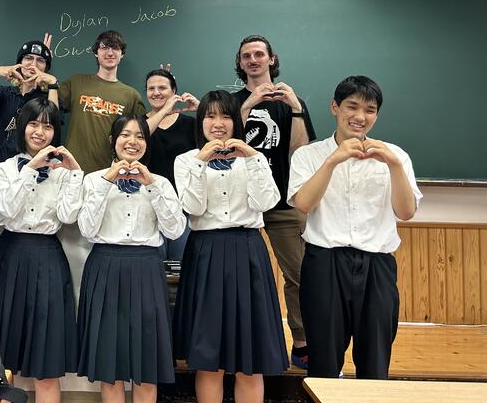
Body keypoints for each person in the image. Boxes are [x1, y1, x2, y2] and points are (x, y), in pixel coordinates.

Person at [288, 75, 421, 379]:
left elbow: (406, 212)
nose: (360, 116)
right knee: (323, 361)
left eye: (370, 110)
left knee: (375, 359)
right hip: (324, 263)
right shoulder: (308, 155)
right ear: (335, 107)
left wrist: (394, 165)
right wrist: (332, 161)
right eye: (352, 106)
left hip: (377, 265)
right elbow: (304, 204)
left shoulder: (396, 156)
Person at [173, 91, 287, 403]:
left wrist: (252, 158)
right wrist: (201, 162)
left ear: (236, 121)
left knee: (250, 360)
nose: (218, 123)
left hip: (247, 250)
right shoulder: (186, 160)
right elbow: (193, 208)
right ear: (200, 121)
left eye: (225, 116)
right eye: (210, 116)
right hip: (205, 252)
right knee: (209, 360)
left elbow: (267, 202)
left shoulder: (253, 158)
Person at [0, 99, 83, 403]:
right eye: (33, 124)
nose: (40, 132)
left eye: (47, 126)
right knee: (1, 355)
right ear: (22, 127)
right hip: (10, 255)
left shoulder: (62, 173)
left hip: (48, 256)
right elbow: (7, 210)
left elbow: (68, 216)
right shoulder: (4, 168)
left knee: (47, 358)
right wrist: (30, 170)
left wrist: (75, 173)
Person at [77, 115, 186, 403]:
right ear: (112, 141)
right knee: (109, 364)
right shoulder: (93, 180)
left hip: (147, 268)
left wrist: (152, 186)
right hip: (105, 267)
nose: (132, 142)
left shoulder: (160, 182)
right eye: (125, 135)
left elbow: (175, 230)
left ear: (146, 143)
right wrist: (106, 182)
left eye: (140, 136)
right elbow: (87, 230)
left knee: (147, 364)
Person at [232, 34, 316, 368]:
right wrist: (246, 107)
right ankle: (239, 342)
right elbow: (225, 144)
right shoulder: (232, 102)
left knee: (299, 275)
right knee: (237, 278)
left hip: (283, 203)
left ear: (271, 59)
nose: (253, 60)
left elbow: (301, 151)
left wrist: (295, 109)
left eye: (258, 54)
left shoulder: (292, 101)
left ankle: (302, 342)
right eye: (246, 56)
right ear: (240, 63)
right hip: (240, 205)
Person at [58, 31, 152, 174]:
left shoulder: (131, 95)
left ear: (122, 54)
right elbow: (50, 110)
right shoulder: (76, 82)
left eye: (115, 48)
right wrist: (43, 67)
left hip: (110, 174)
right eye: (104, 47)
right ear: (96, 52)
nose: (110, 53)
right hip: (71, 171)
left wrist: (164, 103)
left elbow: (143, 131)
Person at [0, 38, 58, 166]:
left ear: (46, 68)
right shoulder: (5, 93)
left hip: (35, 163)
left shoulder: (48, 98)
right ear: (19, 63)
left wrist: (52, 83)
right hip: (2, 161)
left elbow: (53, 122)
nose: (33, 64)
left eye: (40, 60)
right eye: (28, 58)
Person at [144, 68, 198, 261]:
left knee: (180, 267)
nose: (156, 92)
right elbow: (141, 135)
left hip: (182, 208)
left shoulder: (190, 124)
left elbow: (219, 134)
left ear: (174, 92)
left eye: (162, 88)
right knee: (152, 267)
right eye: (151, 88)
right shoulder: (139, 124)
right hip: (148, 207)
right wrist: (163, 112)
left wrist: (202, 109)